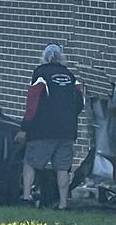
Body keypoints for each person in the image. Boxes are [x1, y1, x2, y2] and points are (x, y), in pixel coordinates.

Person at [14, 43, 84, 210]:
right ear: (61, 57)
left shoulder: (40, 73)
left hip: (42, 130)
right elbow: (80, 102)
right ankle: (63, 204)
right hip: (67, 131)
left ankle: (26, 197)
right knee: (63, 168)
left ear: (44, 57)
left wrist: (25, 126)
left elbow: (32, 102)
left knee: (30, 162)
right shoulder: (71, 76)